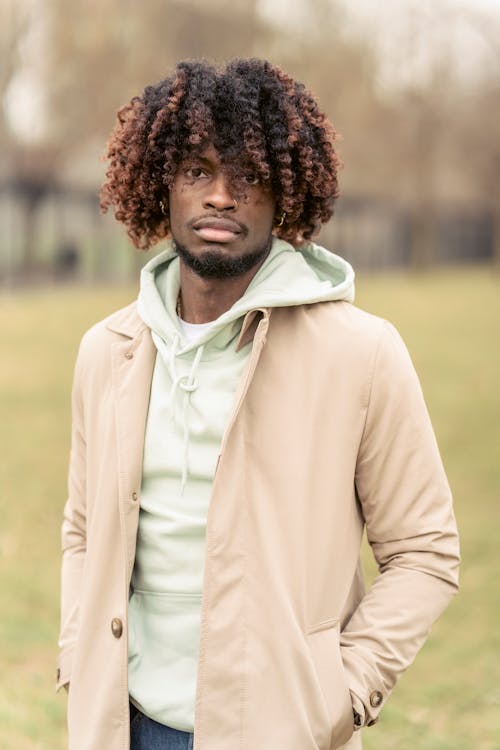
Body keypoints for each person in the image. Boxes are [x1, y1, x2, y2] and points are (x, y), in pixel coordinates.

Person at [57, 58, 459, 750]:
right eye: (197, 172)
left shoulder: (361, 354)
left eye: (248, 177)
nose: (220, 195)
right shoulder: (106, 352)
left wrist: (340, 693)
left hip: (283, 732)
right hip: (124, 727)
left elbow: (424, 552)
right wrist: (77, 652)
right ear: (161, 186)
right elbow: (83, 530)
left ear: (285, 195)